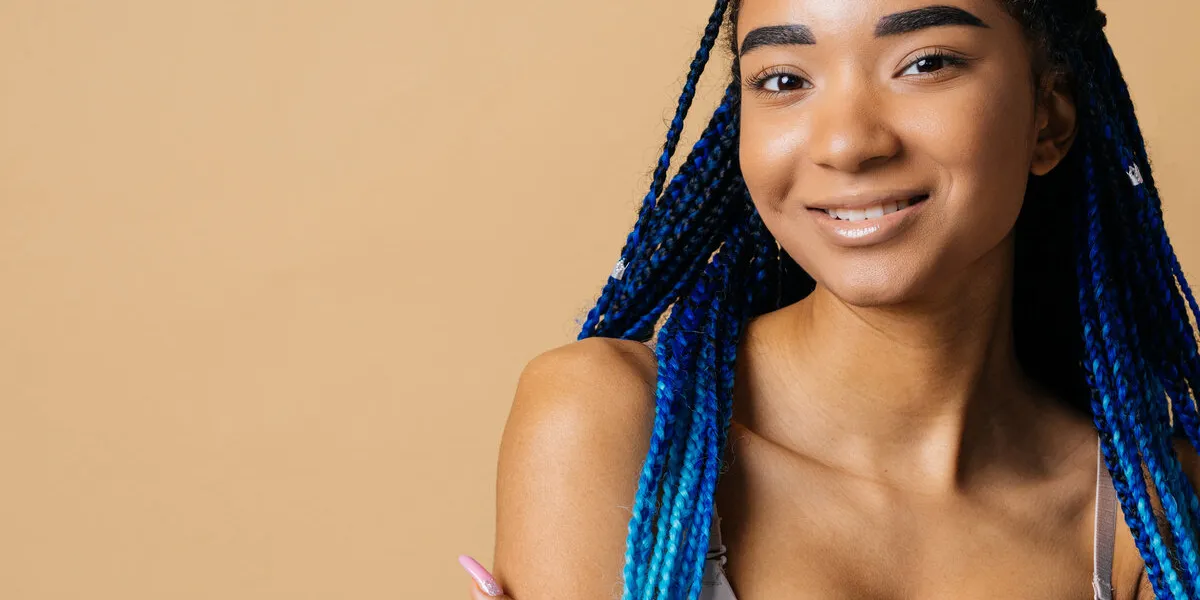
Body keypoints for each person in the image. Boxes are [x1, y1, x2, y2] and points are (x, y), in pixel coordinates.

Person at [458, 0, 1200, 598]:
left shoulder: (1147, 520)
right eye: (784, 80)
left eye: (925, 63)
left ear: (1051, 118)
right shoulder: (612, 419)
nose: (847, 143)